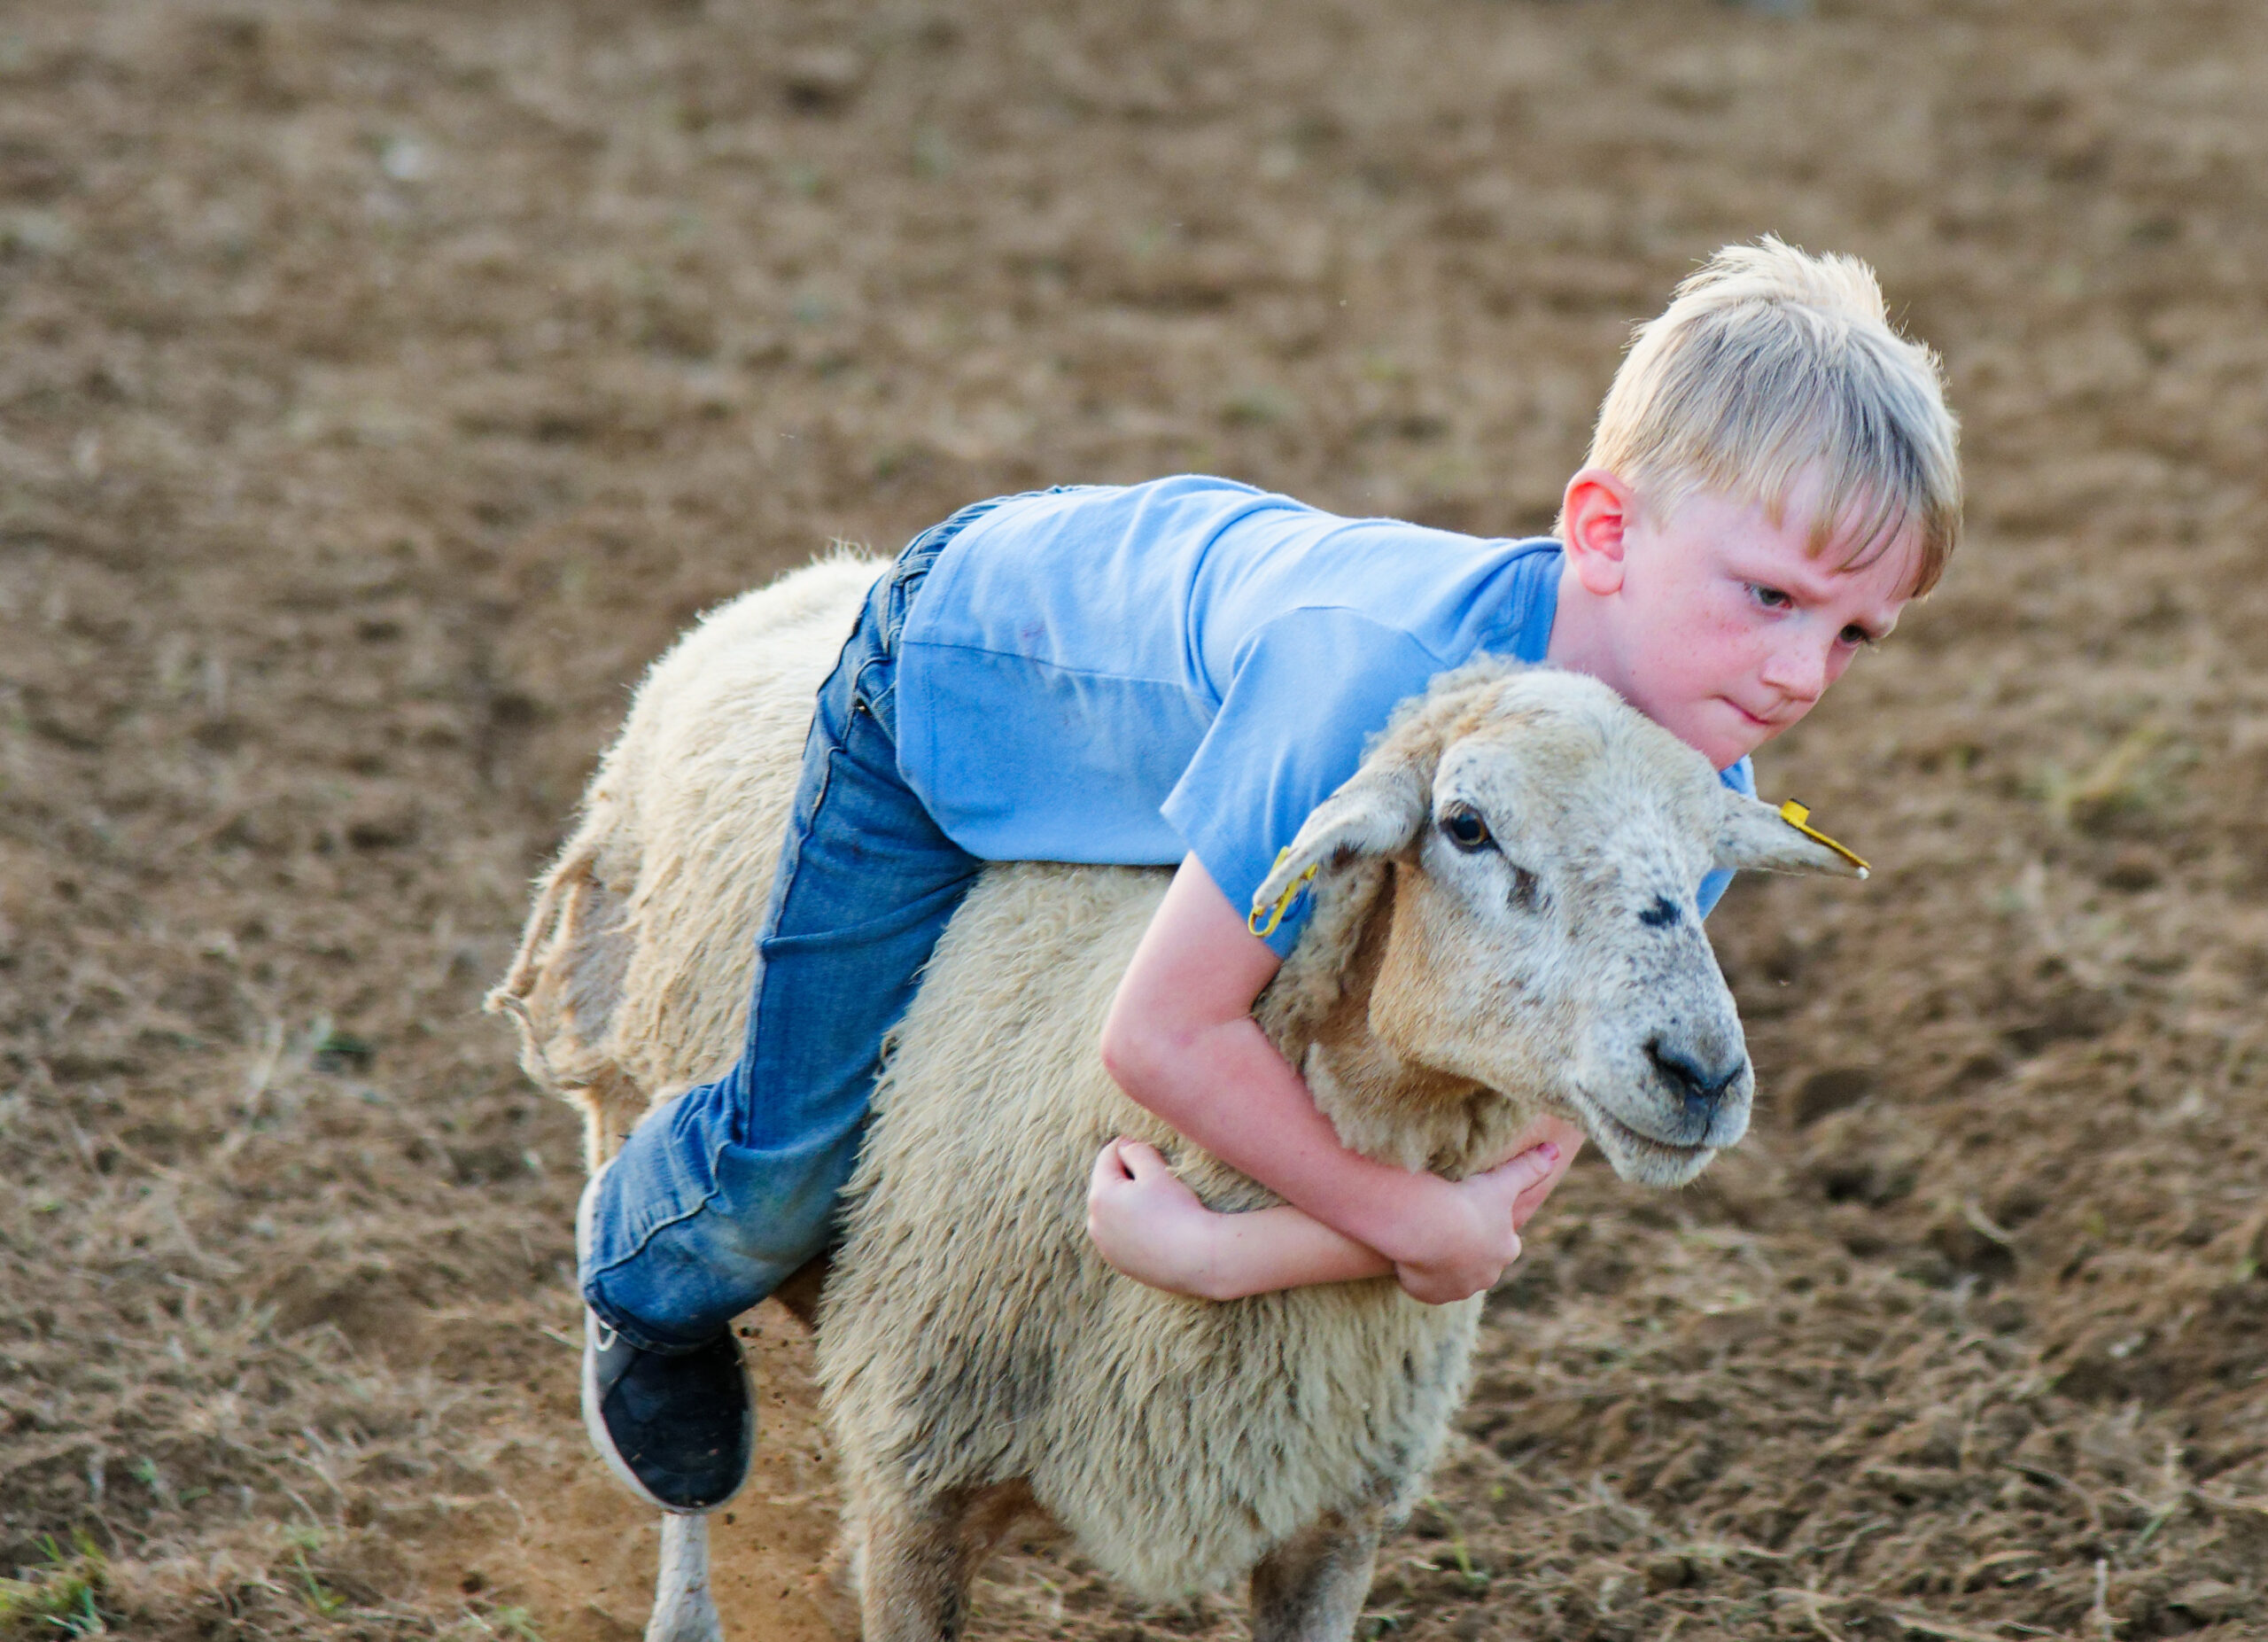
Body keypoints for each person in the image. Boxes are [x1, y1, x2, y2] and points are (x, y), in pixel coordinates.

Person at [573, 237, 1963, 1514]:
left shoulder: (1687, 804)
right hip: (956, 680)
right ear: (1602, 532)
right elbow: (1164, 1032)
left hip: (1168, 685)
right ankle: (644, 1279)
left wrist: (1230, 1253)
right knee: (792, 1158)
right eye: (1772, 596)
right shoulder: (1366, 684)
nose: (1799, 676)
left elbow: (1499, 1165)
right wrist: (1404, 1223)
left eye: (1856, 636)